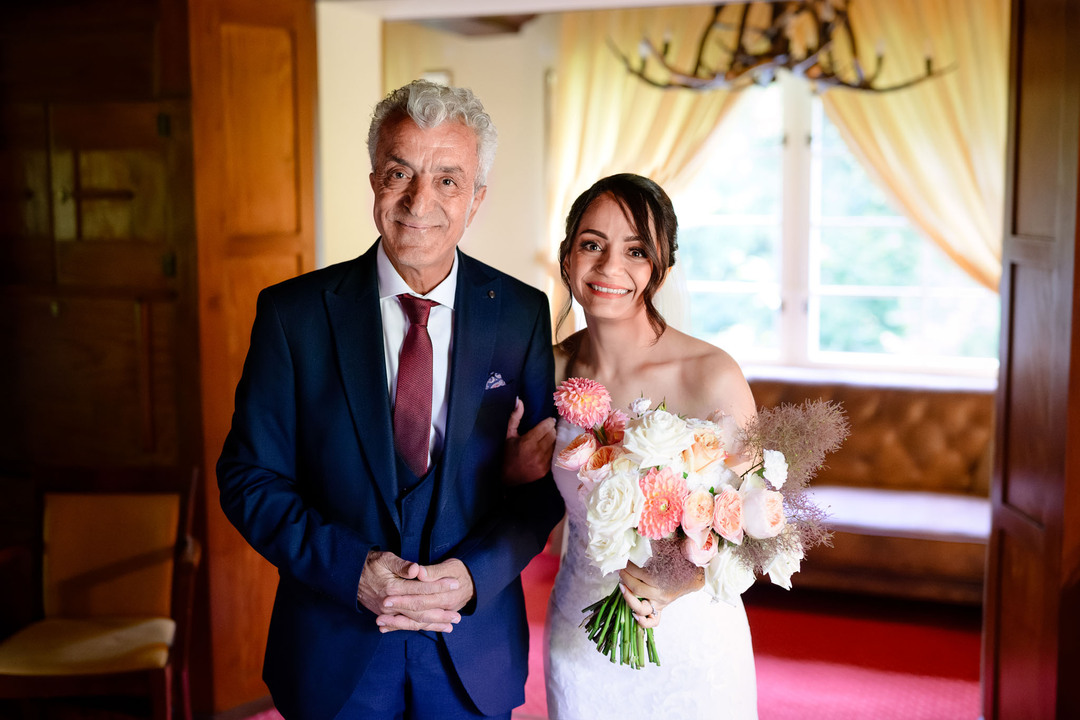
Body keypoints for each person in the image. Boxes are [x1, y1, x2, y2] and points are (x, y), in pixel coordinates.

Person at [216, 79, 563, 720]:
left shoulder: (521, 314)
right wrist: (353, 570)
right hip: (332, 654)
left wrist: (475, 576)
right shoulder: (292, 315)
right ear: (375, 180)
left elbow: (544, 485)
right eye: (400, 172)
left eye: (448, 180)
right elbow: (248, 478)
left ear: (477, 199)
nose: (419, 201)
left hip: (471, 658)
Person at [542, 174, 759, 718]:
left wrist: (675, 584)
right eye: (592, 244)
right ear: (568, 256)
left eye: (636, 251)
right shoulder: (547, 370)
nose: (610, 267)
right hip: (581, 635)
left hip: (692, 641)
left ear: (660, 267)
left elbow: (756, 523)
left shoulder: (710, 374)